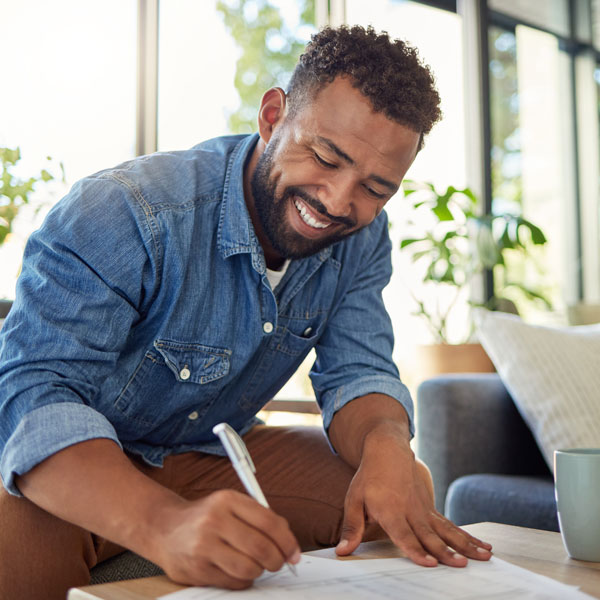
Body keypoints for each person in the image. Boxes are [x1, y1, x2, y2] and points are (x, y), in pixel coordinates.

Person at [0, 25, 492, 599]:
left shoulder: (363, 236)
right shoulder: (126, 210)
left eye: (375, 188)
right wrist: (165, 524)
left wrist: (387, 442)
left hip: (205, 454)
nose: (338, 202)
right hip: (81, 461)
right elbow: (34, 401)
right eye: (326, 156)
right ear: (272, 116)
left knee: (396, 488)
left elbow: (359, 370)